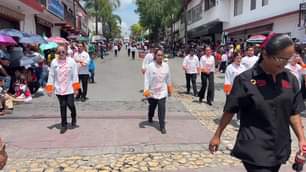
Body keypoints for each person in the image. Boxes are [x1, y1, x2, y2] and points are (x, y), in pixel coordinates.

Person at [209, 33, 306, 172]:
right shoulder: (245, 80)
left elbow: (293, 111)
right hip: (254, 145)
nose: (284, 63)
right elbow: (230, 110)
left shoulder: (290, 79)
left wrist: (302, 139)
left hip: (279, 146)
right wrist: (217, 135)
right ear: (265, 54)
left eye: (288, 58)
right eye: (280, 58)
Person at [46, 45, 80, 134]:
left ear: (66, 52)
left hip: (69, 87)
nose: (61, 54)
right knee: (62, 105)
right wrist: (49, 88)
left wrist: (76, 88)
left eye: (63, 52)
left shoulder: (71, 62)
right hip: (59, 88)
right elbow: (51, 76)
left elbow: (75, 75)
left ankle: (73, 116)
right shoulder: (54, 62)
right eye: (59, 52)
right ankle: (63, 125)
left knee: (70, 104)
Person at [144, 49, 173, 134]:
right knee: (152, 107)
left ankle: (162, 126)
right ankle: (150, 116)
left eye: (161, 55)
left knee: (162, 109)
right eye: (158, 55)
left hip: (162, 91)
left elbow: (168, 78)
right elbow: (147, 79)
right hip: (152, 92)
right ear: (155, 56)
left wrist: (169, 89)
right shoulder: (150, 66)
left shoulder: (166, 66)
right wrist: (146, 90)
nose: (160, 57)